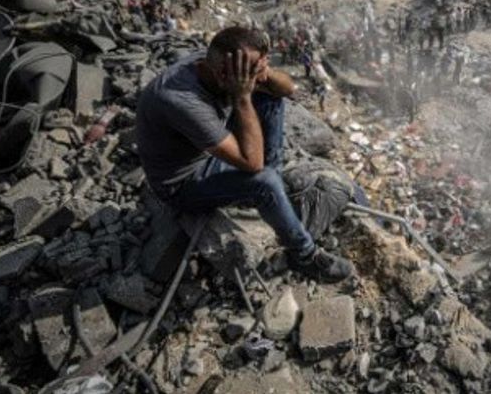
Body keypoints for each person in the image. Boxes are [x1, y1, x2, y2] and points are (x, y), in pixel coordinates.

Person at [135, 26, 353, 282]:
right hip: (181, 184)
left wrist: (264, 72)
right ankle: (304, 256)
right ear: (224, 74)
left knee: (271, 98)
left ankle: (270, 190)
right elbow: (253, 163)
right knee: (264, 181)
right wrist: (242, 97)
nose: (257, 80)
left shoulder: (214, 66)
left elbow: (288, 89)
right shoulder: (180, 100)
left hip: (207, 154)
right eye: (252, 73)